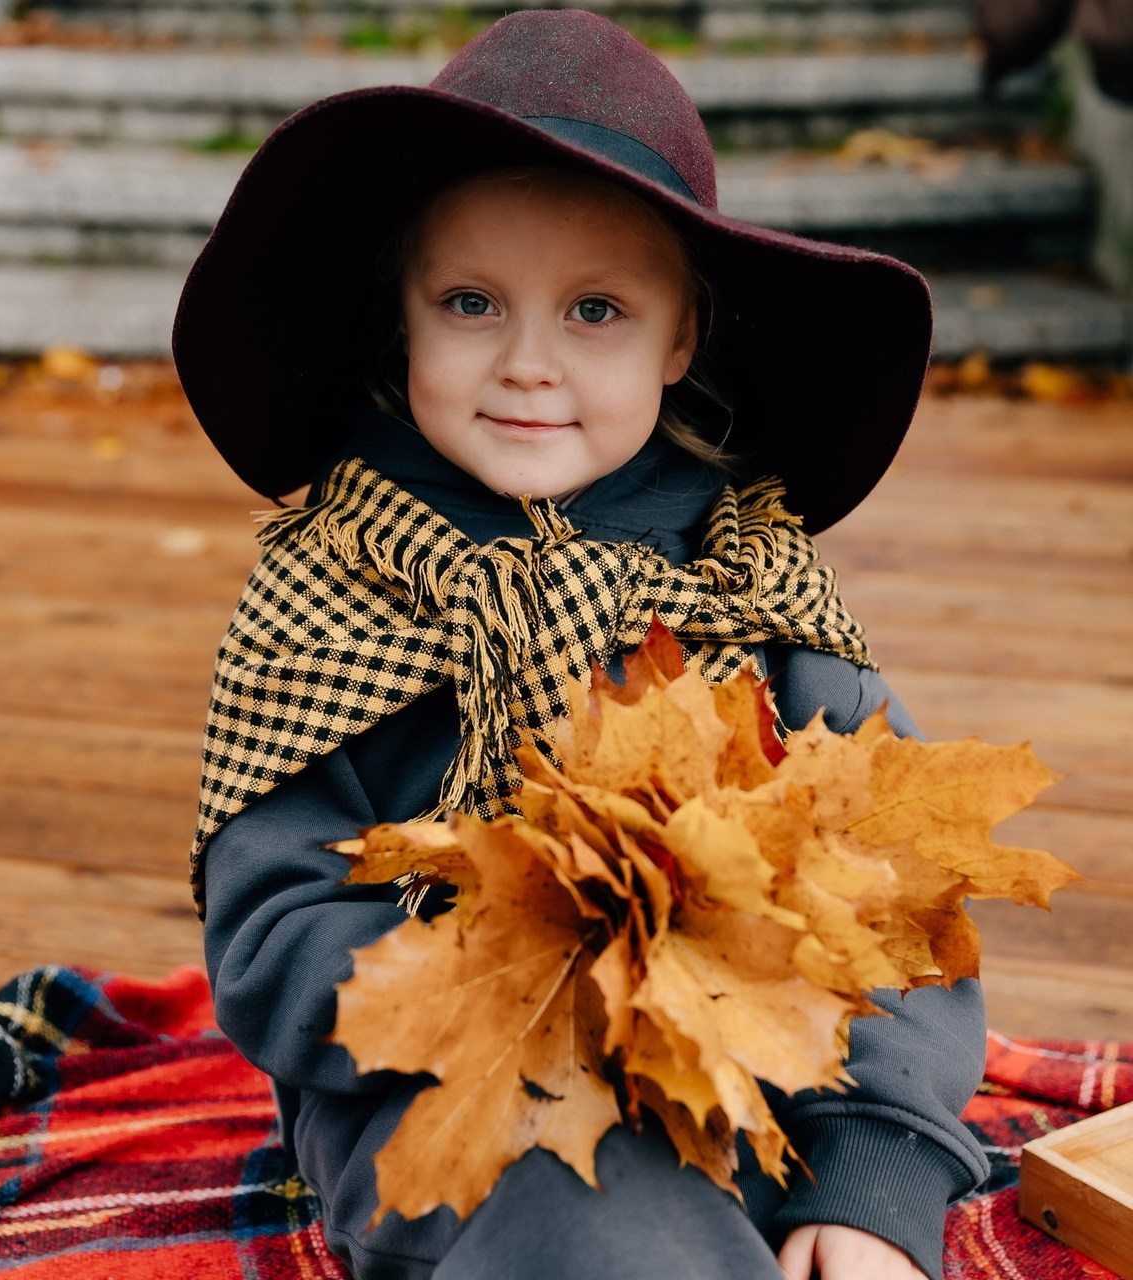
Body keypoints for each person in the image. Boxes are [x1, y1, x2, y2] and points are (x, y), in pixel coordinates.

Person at [172, 10, 990, 1280]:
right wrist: (515, 966)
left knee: (824, 1224)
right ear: (402, 320)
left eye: (595, 309)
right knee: (599, 1214)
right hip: (452, 1091)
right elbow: (269, 930)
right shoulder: (332, 585)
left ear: (682, 337)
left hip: (757, 1069)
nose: (527, 363)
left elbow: (892, 900)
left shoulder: (747, 584)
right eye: (470, 302)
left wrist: (871, 1171)